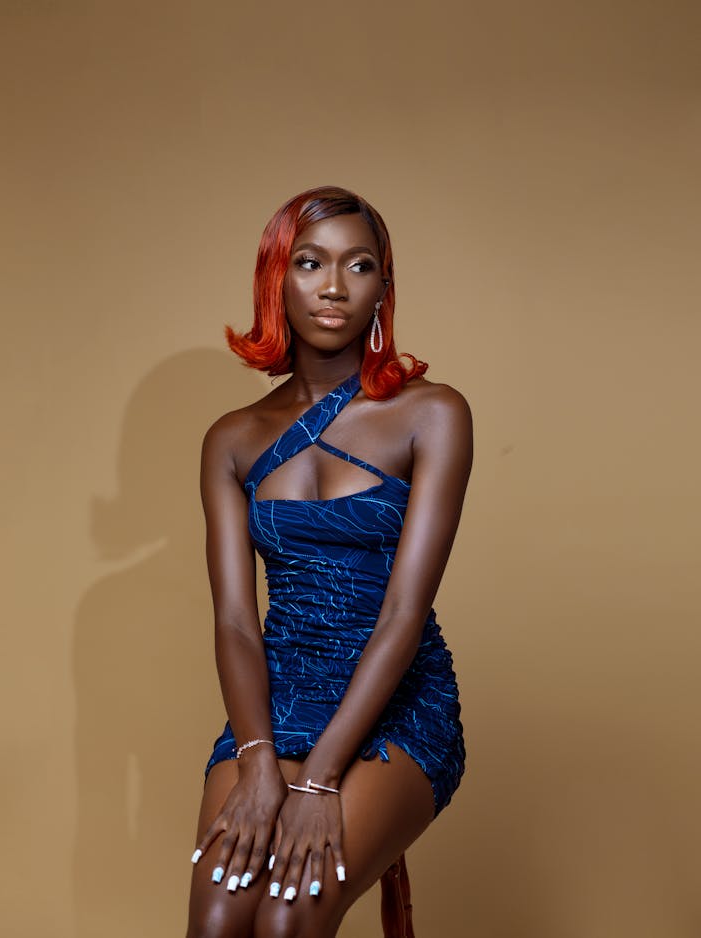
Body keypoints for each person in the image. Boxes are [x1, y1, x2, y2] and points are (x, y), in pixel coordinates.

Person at [186, 185, 473, 938]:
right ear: (277, 279)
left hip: (394, 699)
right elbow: (235, 623)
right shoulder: (233, 438)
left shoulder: (432, 414)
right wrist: (257, 763)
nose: (335, 285)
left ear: (383, 288)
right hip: (275, 699)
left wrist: (317, 780)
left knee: (286, 919)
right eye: (311, 262)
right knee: (219, 920)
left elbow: (404, 614)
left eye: (360, 265)